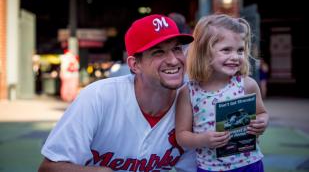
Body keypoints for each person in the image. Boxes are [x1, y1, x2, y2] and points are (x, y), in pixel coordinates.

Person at [38, 14, 196, 172]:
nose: (174, 60)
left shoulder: (196, 99)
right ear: (135, 65)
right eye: (158, 52)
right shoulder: (98, 97)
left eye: (176, 49)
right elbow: (48, 168)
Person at [175, 14, 269, 172]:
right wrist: (203, 139)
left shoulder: (247, 85)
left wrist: (262, 123)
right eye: (226, 50)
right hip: (210, 167)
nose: (235, 57)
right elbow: (182, 135)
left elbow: (262, 113)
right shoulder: (189, 92)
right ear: (204, 52)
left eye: (240, 50)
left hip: (249, 164)